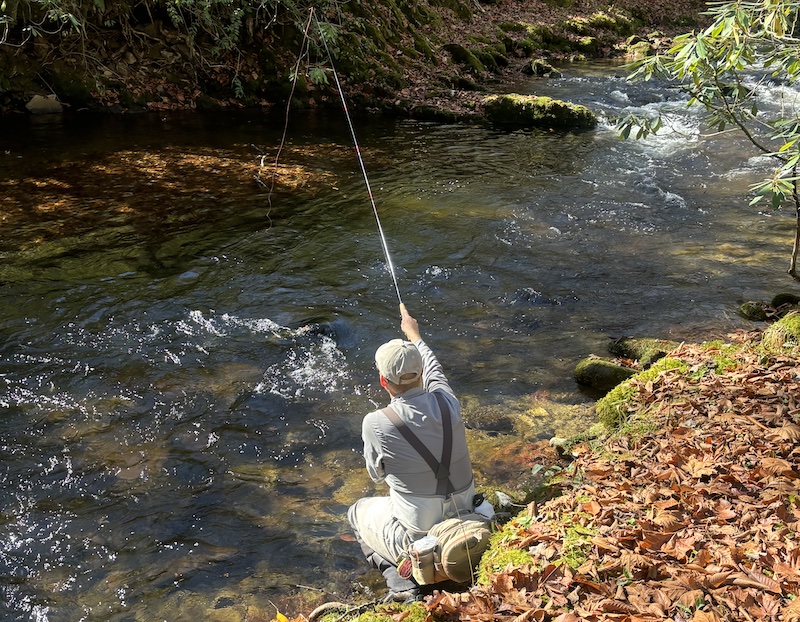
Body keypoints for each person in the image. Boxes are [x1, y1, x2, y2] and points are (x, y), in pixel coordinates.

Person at [347, 303, 476, 603]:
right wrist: (414, 334)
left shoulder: (375, 422)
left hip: (418, 534)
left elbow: (376, 475)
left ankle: (400, 582)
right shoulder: (448, 401)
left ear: (383, 381)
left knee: (355, 512)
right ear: (421, 375)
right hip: (466, 513)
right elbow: (434, 367)